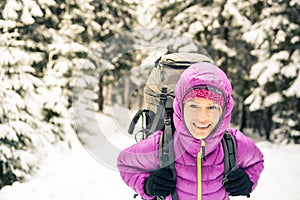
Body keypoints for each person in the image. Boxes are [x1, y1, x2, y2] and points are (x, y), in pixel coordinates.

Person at [117, 62, 264, 200]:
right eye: (193, 106)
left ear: (224, 111)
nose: (202, 117)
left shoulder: (234, 144)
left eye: (212, 107)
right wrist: (146, 185)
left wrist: (248, 180)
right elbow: (125, 163)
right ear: (180, 107)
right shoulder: (161, 145)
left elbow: (257, 161)